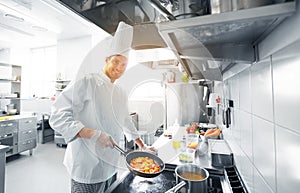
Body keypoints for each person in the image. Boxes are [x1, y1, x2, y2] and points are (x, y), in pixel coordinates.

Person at [49, 54, 156, 193]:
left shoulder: (120, 92)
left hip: (111, 164)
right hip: (86, 164)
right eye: (116, 61)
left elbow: (126, 121)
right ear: (106, 60)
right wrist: (93, 134)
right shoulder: (87, 81)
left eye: (123, 64)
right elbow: (57, 116)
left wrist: (143, 146)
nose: (119, 67)